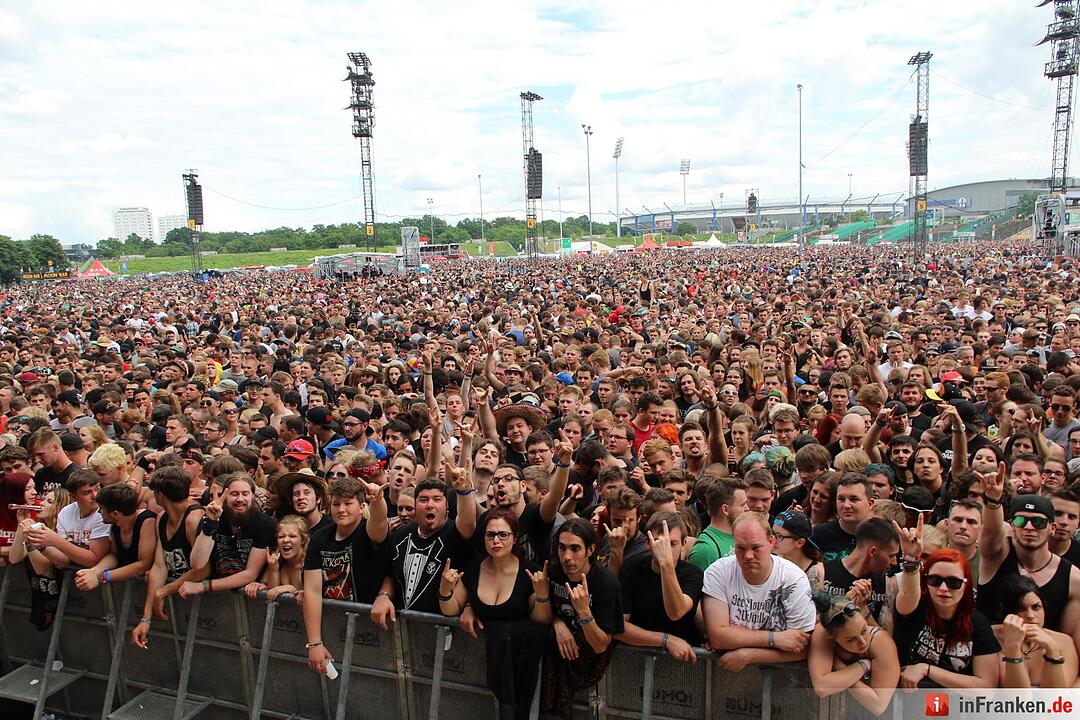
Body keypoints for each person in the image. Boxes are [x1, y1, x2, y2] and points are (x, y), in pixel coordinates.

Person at [438, 508, 551, 720]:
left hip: (523, 672)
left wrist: (543, 596)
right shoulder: (473, 569)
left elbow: (541, 620)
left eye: (503, 535)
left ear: (515, 538)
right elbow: (450, 609)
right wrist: (445, 590)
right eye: (490, 535)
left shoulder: (530, 572)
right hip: (478, 671)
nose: (496, 541)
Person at [702, 512, 817, 672]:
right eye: (741, 548)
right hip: (728, 674)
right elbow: (719, 637)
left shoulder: (794, 579)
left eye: (756, 548)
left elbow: (801, 647)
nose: (748, 556)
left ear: (771, 542)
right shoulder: (718, 572)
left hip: (780, 680)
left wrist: (748, 655)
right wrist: (775, 639)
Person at [892, 518, 1000, 689]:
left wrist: (927, 669)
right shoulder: (914, 607)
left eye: (953, 582)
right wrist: (912, 560)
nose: (943, 588)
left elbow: (986, 687)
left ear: (966, 584)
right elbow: (908, 593)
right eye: (935, 580)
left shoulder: (977, 623)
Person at [305, 458, 389, 674]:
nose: (341, 509)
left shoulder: (367, 531)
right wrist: (314, 642)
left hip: (372, 629)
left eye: (347, 503)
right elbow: (312, 591)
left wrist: (377, 501)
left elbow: (379, 525)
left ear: (361, 507)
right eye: (336, 504)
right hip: (333, 627)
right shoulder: (319, 538)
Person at [978, 461, 1080, 637]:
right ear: (1011, 525)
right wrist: (993, 500)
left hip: (1039, 659)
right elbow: (991, 531)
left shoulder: (1073, 578)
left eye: (1039, 522)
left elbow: (1067, 641)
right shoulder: (996, 556)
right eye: (1021, 521)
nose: (1029, 527)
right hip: (989, 657)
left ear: (1052, 528)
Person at [541, 517, 624, 719]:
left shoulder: (606, 584)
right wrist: (557, 623)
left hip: (589, 663)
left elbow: (601, 645)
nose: (566, 557)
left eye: (575, 549)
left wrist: (585, 613)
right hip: (555, 660)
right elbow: (543, 614)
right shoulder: (553, 573)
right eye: (561, 548)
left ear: (590, 550)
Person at [132, 466, 206, 650]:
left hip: (204, 605)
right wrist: (146, 617)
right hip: (179, 600)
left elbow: (203, 569)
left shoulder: (194, 518)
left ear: (160, 495)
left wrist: (165, 590)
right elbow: (159, 566)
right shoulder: (161, 518)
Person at [615, 511, 703, 662]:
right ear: (647, 543)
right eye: (658, 543)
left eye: (672, 543)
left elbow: (676, 611)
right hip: (637, 660)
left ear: (683, 544)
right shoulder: (631, 568)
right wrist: (665, 640)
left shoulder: (692, 574)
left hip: (680, 663)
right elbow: (619, 627)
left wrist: (666, 564)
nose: (665, 550)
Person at [185, 472, 277, 597]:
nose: (240, 499)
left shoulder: (264, 524)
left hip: (251, 598)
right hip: (218, 598)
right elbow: (197, 563)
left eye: (245, 494)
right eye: (234, 494)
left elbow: (250, 574)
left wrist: (204, 586)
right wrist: (211, 522)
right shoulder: (211, 518)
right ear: (226, 496)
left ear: (253, 496)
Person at [807, 593, 899, 716]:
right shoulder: (822, 634)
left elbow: (879, 705)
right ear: (833, 639)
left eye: (864, 630)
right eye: (851, 640)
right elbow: (822, 687)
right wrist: (862, 666)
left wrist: (840, 668)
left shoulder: (882, 643)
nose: (863, 642)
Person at [809, 517, 899, 630]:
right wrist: (843, 604)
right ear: (873, 552)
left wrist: (864, 611)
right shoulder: (820, 574)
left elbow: (887, 643)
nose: (895, 562)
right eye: (891, 556)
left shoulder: (886, 584)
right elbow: (804, 628)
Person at [994, 574, 1078, 688]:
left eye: (1036, 607)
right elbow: (1017, 699)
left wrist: (1052, 650)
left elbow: (1055, 698)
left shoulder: (1064, 642)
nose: (1030, 616)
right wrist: (1012, 648)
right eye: (1021, 608)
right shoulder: (991, 638)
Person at [73, 483, 157, 591]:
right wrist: (94, 571)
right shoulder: (116, 524)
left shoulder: (147, 521)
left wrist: (101, 577)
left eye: (102, 509)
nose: (99, 512)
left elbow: (143, 565)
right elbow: (114, 555)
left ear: (115, 513)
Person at [25, 469, 111, 570]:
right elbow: (64, 561)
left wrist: (55, 540)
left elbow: (93, 560)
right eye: (87, 493)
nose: (95, 496)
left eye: (97, 489)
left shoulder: (103, 514)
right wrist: (42, 546)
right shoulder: (66, 512)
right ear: (73, 497)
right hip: (72, 575)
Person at [809, 473, 875, 562]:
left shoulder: (882, 535)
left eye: (853, 499)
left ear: (870, 503)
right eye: (841, 499)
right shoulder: (818, 535)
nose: (846, 505)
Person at [687, 476, 747, 572]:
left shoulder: (742, 536)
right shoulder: (704, 549)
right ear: (725, 509)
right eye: (743, 505)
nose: (747, 509)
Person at [246, 514, 310, 602]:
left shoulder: (310, 564)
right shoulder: (278, 561)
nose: (285, 540)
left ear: (302, 540)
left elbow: (314, 595)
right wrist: (273, 570)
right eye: (281, 536)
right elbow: (271, 595)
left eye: (292, 536)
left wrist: (291, 589)